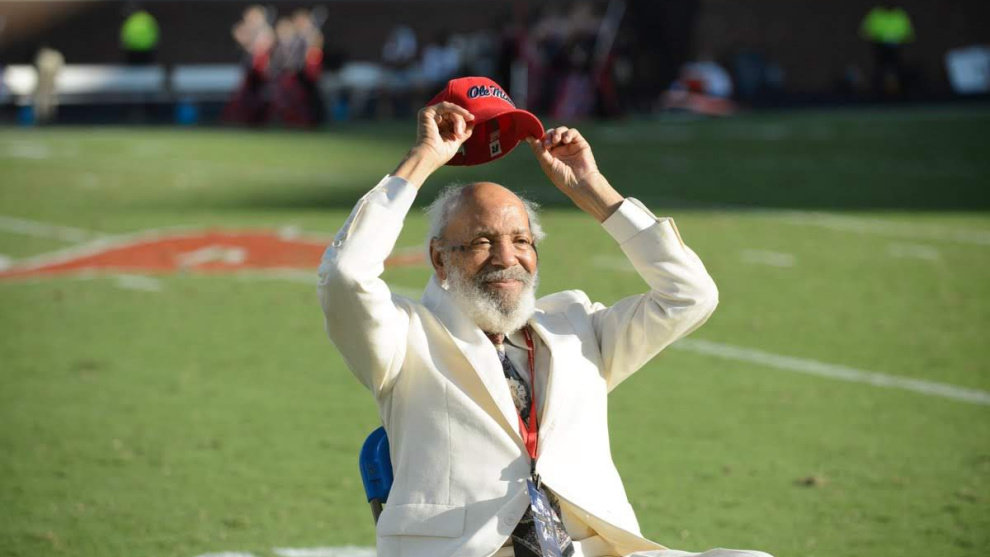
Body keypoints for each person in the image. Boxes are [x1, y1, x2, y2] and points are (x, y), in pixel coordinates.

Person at [318, 84, 771, 557]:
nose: (506, 258)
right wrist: (421, 161)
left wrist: (592, 190)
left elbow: (690, 295)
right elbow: (346, 274)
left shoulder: (575, 326)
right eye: (481, 242)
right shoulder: (403, 337)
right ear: (439, 258)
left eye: (521, 240)